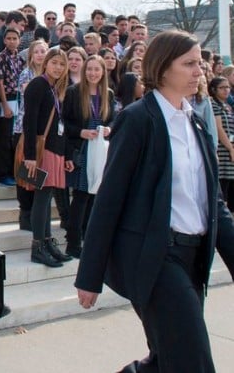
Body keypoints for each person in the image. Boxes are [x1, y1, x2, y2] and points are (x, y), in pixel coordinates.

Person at [75, 31, 234, 373]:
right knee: (194, 361)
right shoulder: (137, 120)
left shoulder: (196, 123)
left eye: (200, 64)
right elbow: (109, 200)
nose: (200, 71)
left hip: (193, 260)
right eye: (189, 64)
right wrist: (89, 276)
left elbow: (215, 205)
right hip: (155, 259)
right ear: (163, 68)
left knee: (169, 361)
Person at [21, 48, 74, 267]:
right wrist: (30, 156)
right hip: (41, 152)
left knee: (47, 196)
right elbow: (29, 121)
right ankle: (37, 247)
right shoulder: (37, 85)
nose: (58, 68)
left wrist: (66, 155)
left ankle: (47, 242)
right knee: (41, 199)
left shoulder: (54, 88)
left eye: (62, 64)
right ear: (46, 63)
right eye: (55, 63)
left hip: (55, 149)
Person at [62, 55, 116, 258]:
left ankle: (88, 237)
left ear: (103, 72)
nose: (93, 73)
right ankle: (73, 243)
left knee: (96, 196)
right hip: (82, 149)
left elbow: (113, 119)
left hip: (101, 150)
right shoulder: (74, 92)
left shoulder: (108, 94)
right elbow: (65, 123)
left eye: (97, 69)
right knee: (81, 196)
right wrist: (80, 132)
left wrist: (109, 129)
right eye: (89, 69)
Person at [13, 39, 48, 230]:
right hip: (24, 129)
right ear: (31, 55)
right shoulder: (26, 74)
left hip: (44, 132)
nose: (41, 55)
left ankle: (35, 213)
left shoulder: (52, 76)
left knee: (38, 174)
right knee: (25, 172)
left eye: (44, 51)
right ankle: (25, 213)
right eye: (37, 52)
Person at [0, 27, 25, 185]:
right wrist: (5, 104)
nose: (12, 41)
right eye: (9, 38)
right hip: (7, 99)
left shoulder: (20, 59)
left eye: (15, 38)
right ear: (4, 40)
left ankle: (16, 173)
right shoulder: (1, 57)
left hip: (19, 100)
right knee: (4, 139)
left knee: (16, 138)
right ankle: (3, 173)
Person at [209, 76, 234, 212]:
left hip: (230, 149)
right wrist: (230, 148)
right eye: (222, 88)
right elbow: (219, 128)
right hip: (222, 151)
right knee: (223, 186)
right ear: (213, 89)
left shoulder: (227, 106)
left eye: (227, 87)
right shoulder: (213, 105)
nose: (226, 90)